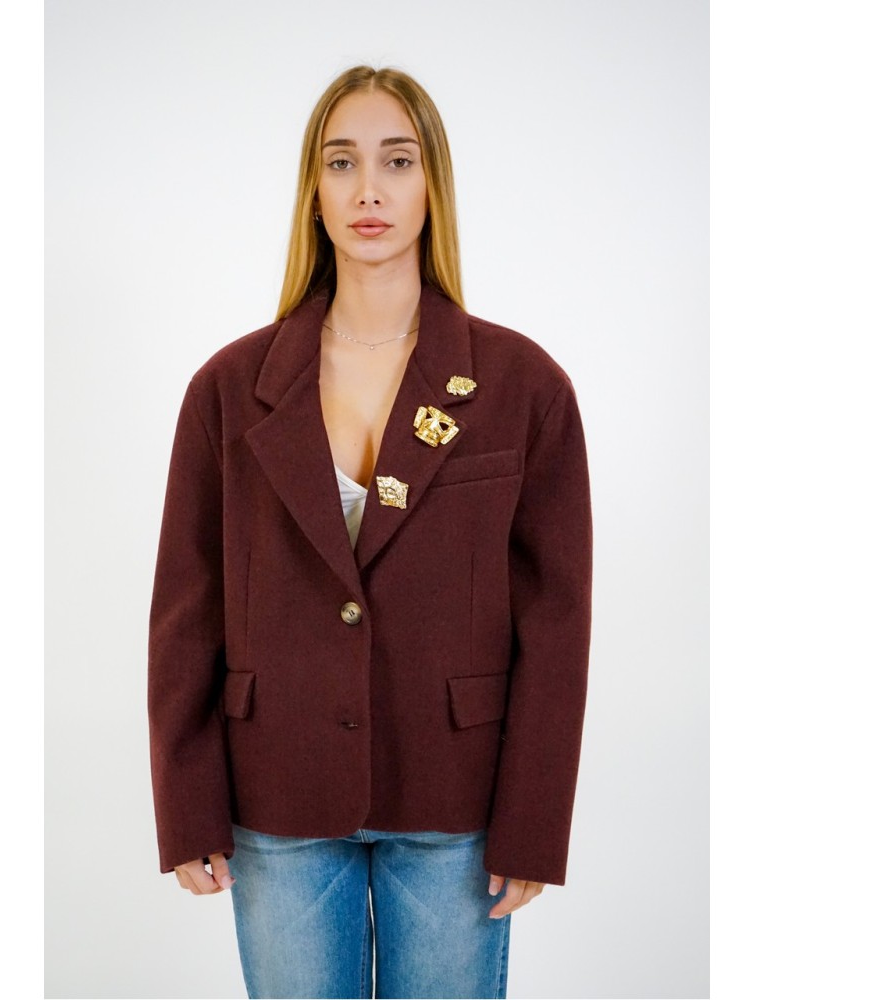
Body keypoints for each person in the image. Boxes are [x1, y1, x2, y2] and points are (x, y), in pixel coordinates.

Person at [148, 64, 593, 999]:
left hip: (454, 795)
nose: (369, 190)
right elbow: (187, 609)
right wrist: (187, 805)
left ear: (434, 185)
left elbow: (556, 624)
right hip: (279, 788)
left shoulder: (522, 386)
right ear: (313, 190)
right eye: (341, 162)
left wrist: (533, 822)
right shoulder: (228, 389)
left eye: (397, 160)